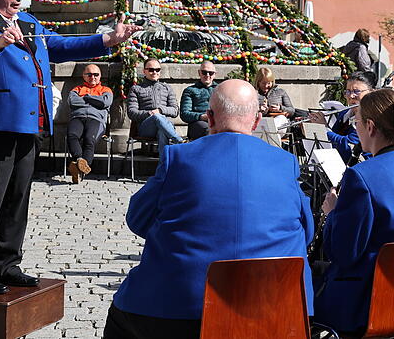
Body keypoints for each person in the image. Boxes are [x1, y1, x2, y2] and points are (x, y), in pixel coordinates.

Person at [0, 0, 139, 294]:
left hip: (28, 122)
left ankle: (6, 264)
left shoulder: (28, 21)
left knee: (17, 198)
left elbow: (62, 46)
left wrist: (108, 39)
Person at [104, 80, 314, 339]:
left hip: (180, 309)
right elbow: (306, 231)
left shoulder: (179, 157)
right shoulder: (285, 162)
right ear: (257, 120)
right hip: (275, 310)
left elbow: (138, 219)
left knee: (121, 321)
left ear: (210, 118)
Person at [314, 89, 394, 335]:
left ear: (370, 126)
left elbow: (342, 253)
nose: (357, 128)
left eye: (358, 123)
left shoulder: (360, 176)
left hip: (368, 303)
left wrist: (332, 214)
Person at [127, 58, 183, 159]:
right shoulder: (136, 89)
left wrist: (160, 110)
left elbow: (175, 110)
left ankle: (163, 166)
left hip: (165, 125)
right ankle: (179, 141)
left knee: (162, 132)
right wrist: (150, 113)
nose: (154, 72)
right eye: (151, 70)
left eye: (157, 70)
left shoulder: (167, 88)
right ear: (144, 71)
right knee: (156, 117)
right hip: (146, 127)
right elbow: (132, 112)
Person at [66, 63, 113, 183]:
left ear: (100, 75)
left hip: (96, 120)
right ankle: (80, 161)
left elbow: (105, 102)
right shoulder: (76, 89)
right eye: (89, 74)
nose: (93, 77)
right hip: (78, 117)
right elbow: (72, 101)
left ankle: (78, 169)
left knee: (89, 139)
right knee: (72, 135)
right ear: (84, 75)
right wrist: (95, 101)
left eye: (96, 74)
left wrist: (86, 97)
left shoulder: (106, 90)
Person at [320, 71, 375, 163]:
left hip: (364, 165)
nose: (351, 96)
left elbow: (349, 144)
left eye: (356, 91)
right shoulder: (344, 113)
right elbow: (334, 141)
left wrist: (324, 129)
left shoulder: (371, 117)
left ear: (371, 93)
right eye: (348, 91)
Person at [179, 61, 217, 141]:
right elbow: (184, 114)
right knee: (208, 130)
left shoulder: (220, 89)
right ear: (199, 73)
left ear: (214, 74)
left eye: (210, 73)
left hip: (217, 121)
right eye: (204, 72)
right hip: (198, 123)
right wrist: (201, 117)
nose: (207, 75)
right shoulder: (190, 90)